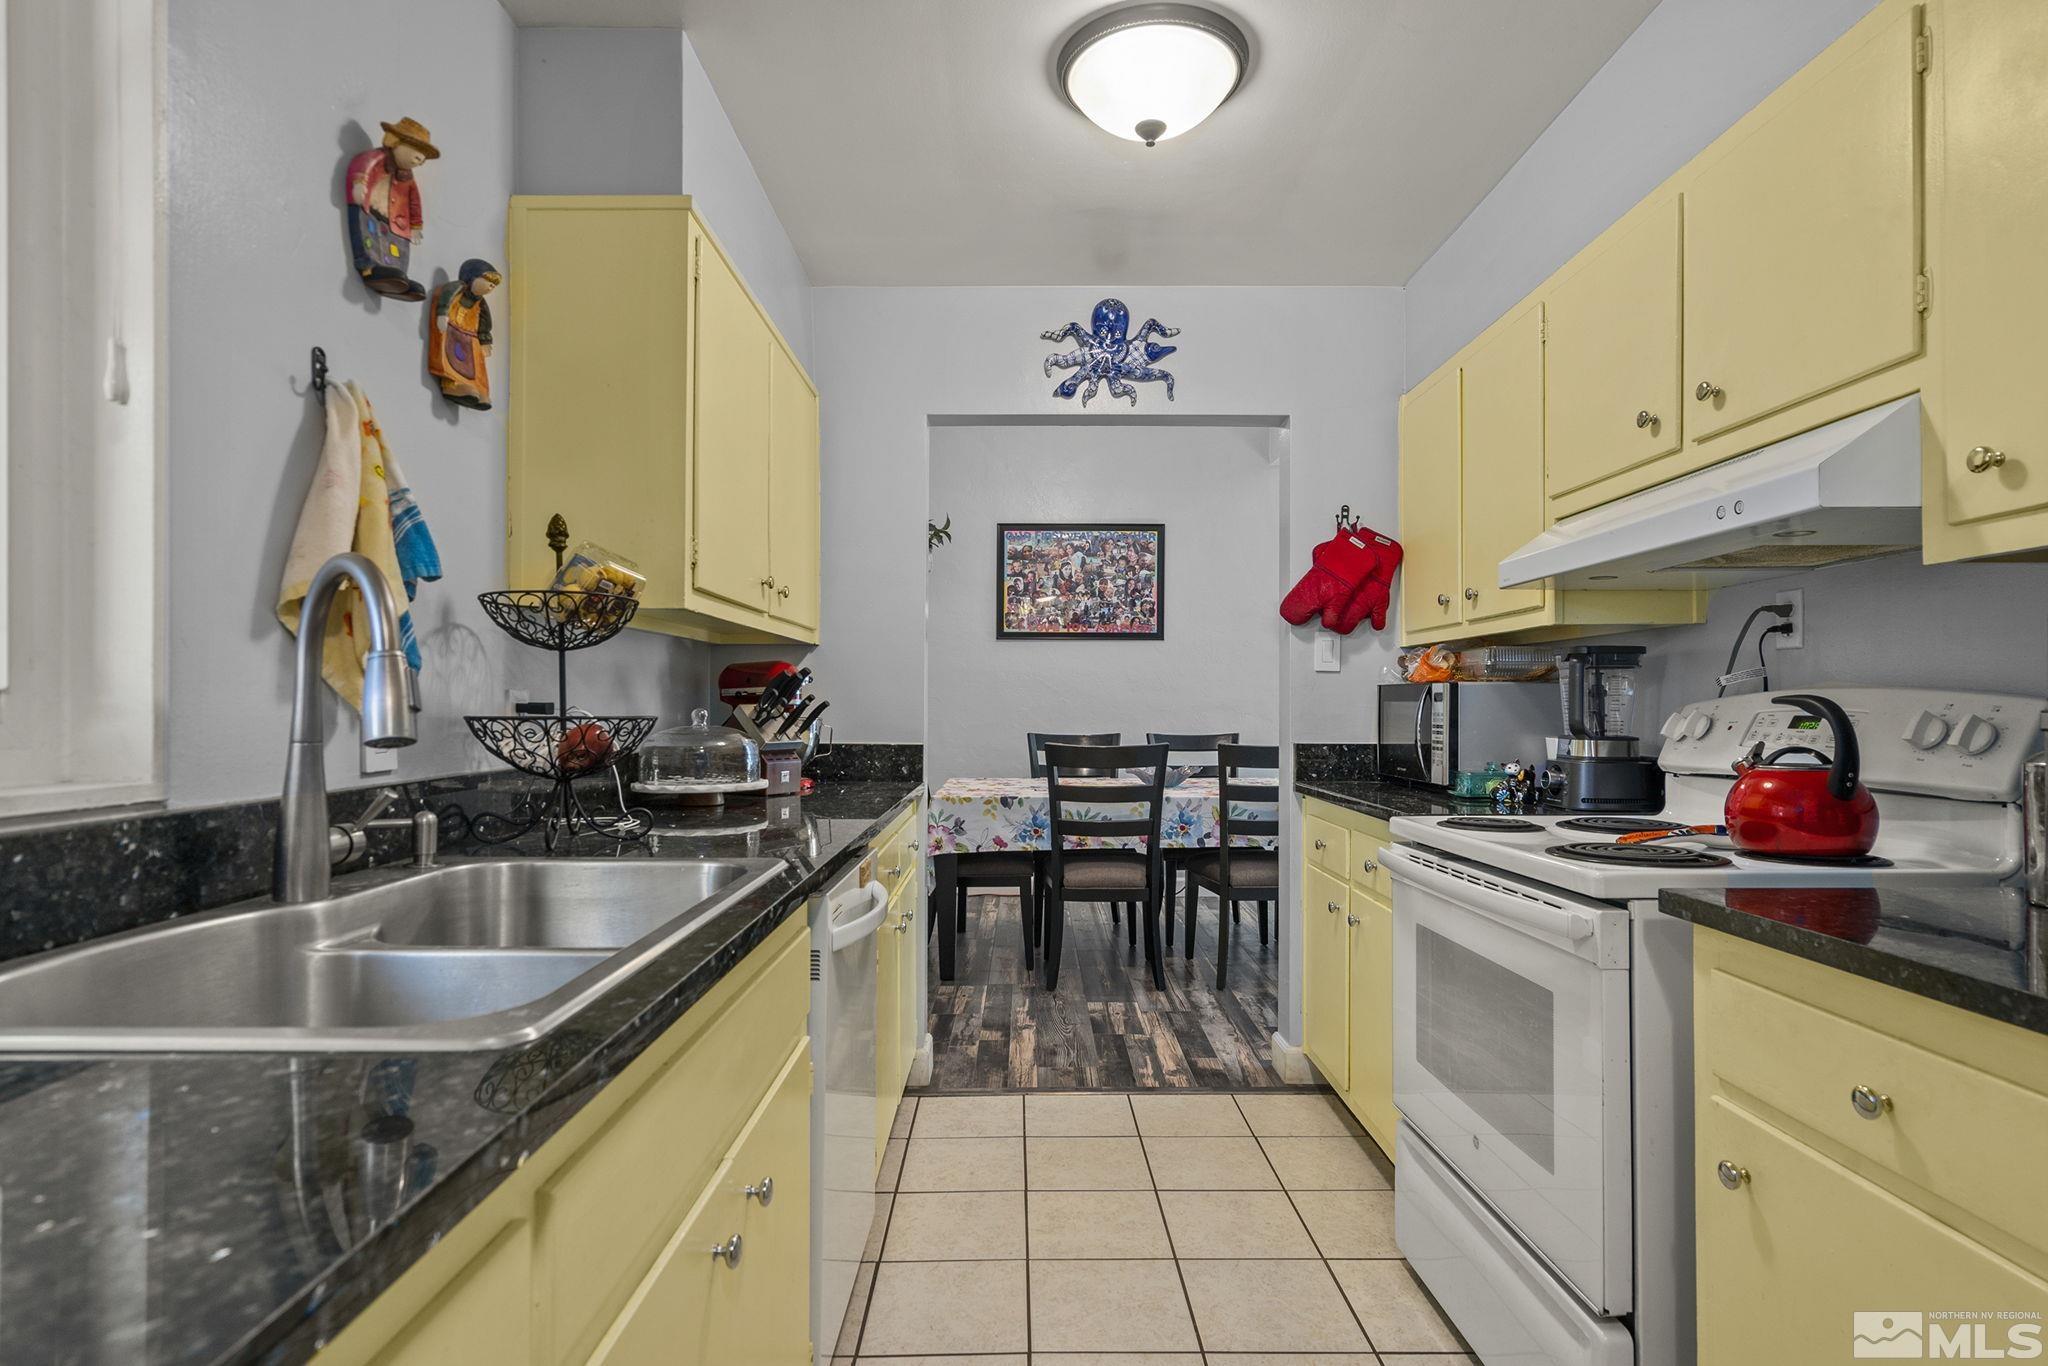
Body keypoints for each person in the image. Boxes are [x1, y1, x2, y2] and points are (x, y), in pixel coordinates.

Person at [347, 117, 439, 300]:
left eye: (423, 156)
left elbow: (414, 202)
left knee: (395, 248)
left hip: (395, 221)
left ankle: (398, 279)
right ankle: (368, 269)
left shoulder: (408, 178)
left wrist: (415, 226)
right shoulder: (376, 159)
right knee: (369, 238)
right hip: (370, 210)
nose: (420, 158)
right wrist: (358, 184)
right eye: (416, 149)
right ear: (395, 141)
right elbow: (362, 166)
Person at [428, 258, 502, 408]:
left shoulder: (481, 303)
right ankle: (451, 385)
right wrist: (442, 313)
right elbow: (446, 297)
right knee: (450, 358)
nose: (491, 287)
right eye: (488, 281)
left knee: (474, 364)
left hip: (469, 335)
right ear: (473, 277)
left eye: (494, 285)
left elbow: (485, 324)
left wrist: (485, 340)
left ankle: (478, 390)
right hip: (451, 330)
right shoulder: (458, 288)